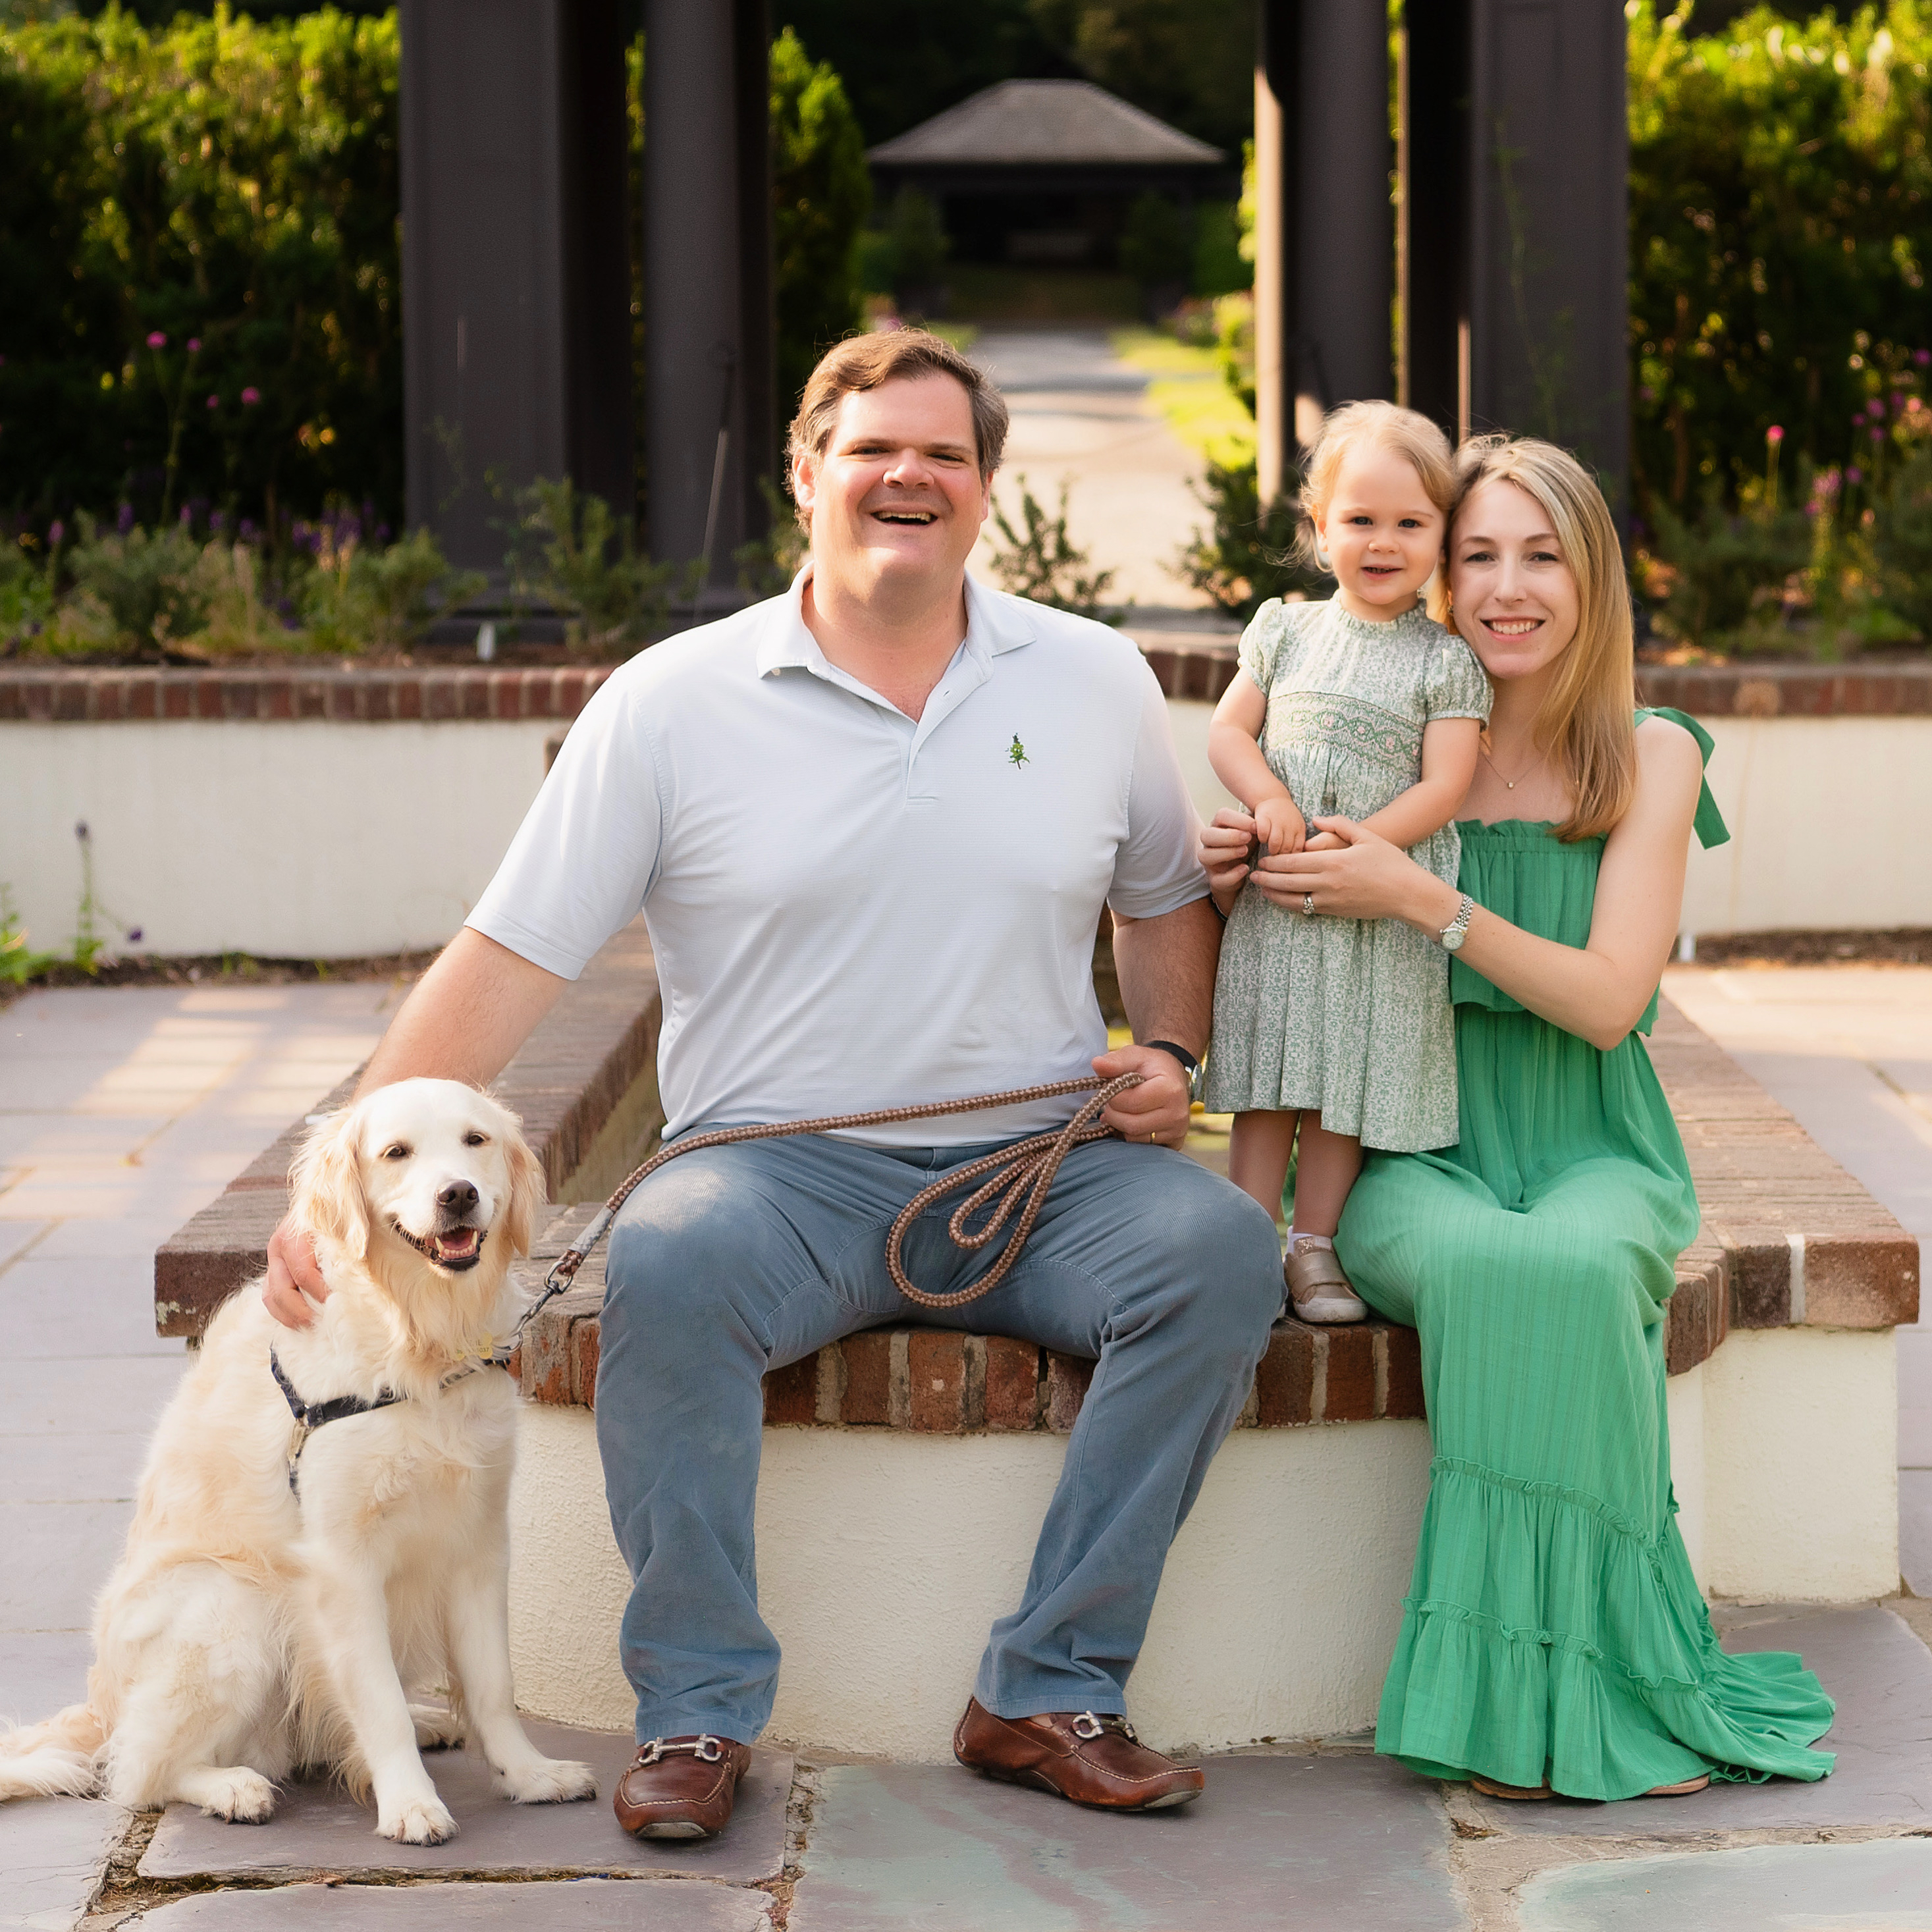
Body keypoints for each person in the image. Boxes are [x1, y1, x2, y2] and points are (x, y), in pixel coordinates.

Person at [264, 329, 1285, 1840]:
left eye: (944, 453)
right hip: (769, 1178)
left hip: (1038, 1168)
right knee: (664, 1263)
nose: (908, 477)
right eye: (874, 449)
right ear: (807, 474)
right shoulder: (672, 701)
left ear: (987, 489)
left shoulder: (1092, 678)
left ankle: (1049, 1686)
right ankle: (695, 1712)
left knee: (1218, 1253)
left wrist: (1173, 1058)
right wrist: (331, 1176)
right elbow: (509, 955)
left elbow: (1158, 900)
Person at [1201, 435, 1836, 1802]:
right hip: (1415, 1141)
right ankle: (1514, 1694)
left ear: (1592, 572)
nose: (1505, 587)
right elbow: (1284, 927)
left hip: (1596, 1140)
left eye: (1540, 554)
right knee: (1501, 1266)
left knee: (1573, 1256)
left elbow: (1611, 1002)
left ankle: (1607, 1676)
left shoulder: (1649, 757)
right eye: (1477, 553)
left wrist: (1427, 898)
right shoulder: (1391, 745)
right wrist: (1237, 859)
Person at [1203, 401, 1489, 1324]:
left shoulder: (1444, 662)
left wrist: (1367, 847)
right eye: (1359, 519)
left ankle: (1313, 1245)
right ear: (1318, 529)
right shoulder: (1284, 631)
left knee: (1341, 1080)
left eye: (1411, 522)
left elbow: (1444, 784)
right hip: (1282, 895)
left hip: (1369, 901)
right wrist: (1271, 802)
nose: (1383, 541)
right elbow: (1227, 730)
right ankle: (1245, 1244)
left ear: (1443, 536)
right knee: (1268, 1072)